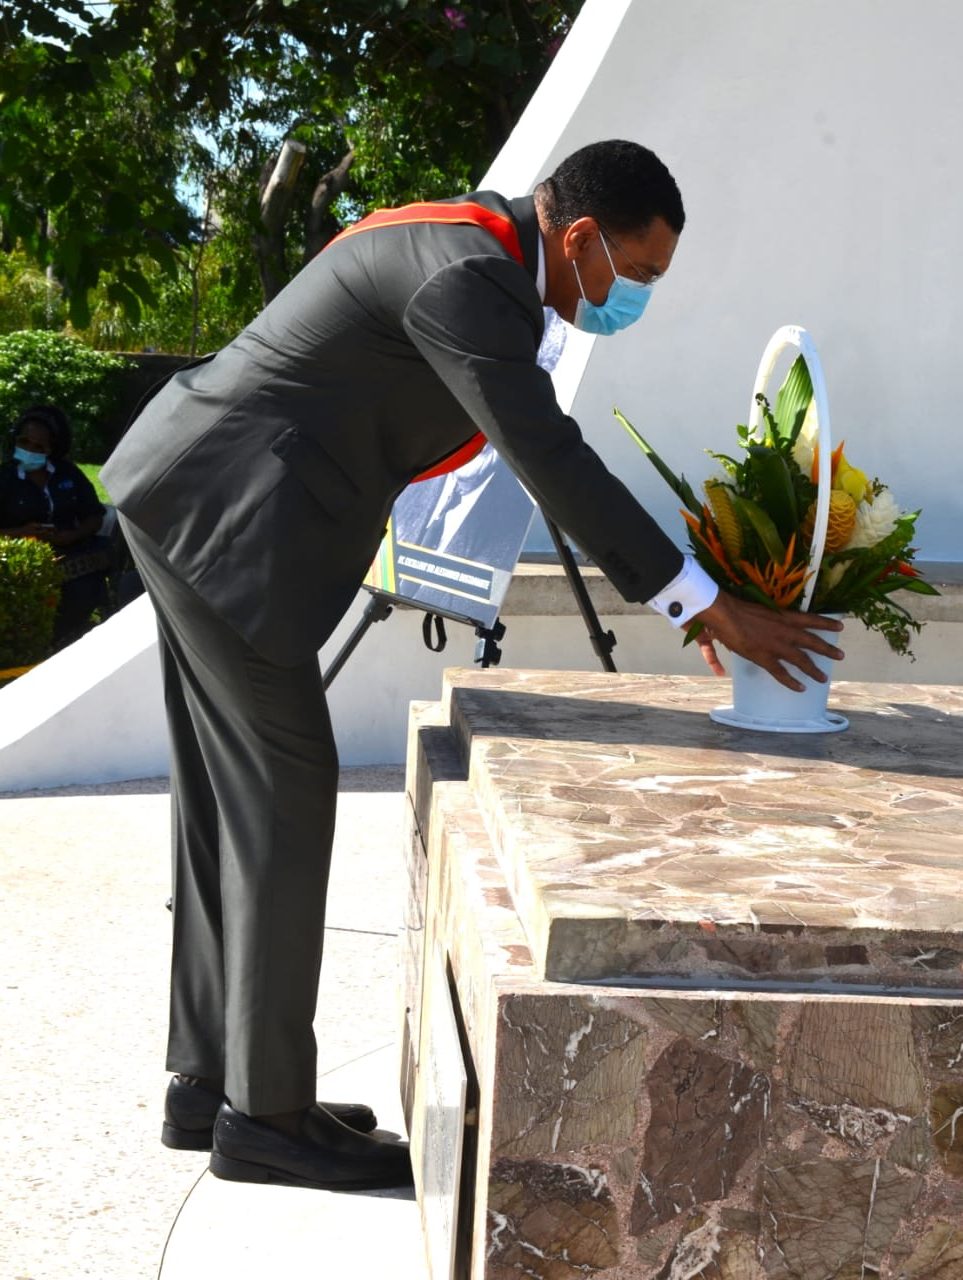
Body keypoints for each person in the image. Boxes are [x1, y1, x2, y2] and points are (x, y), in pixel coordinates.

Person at [101, 139, 843, 1193]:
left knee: (228, 803)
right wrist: (703, 601)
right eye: (636, 273)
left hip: (195, 500)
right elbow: (549, 454)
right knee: (283, 794)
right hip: (225, 523)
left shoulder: (478, 256)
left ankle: (213, 1078)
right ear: (579, 237)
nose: (633, 297)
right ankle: (264, 1116)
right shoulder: (473, 281)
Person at [0, 405, 110, 648]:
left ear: (51, 449)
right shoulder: (4, 479)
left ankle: (71, 638)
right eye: (24, 441)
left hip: (69, 551)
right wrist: (22, 533)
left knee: (87, 584)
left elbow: (94, 517)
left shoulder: (68, 474)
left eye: (38, 446)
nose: (29, 449)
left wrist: (72, 535)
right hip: (22, 559)